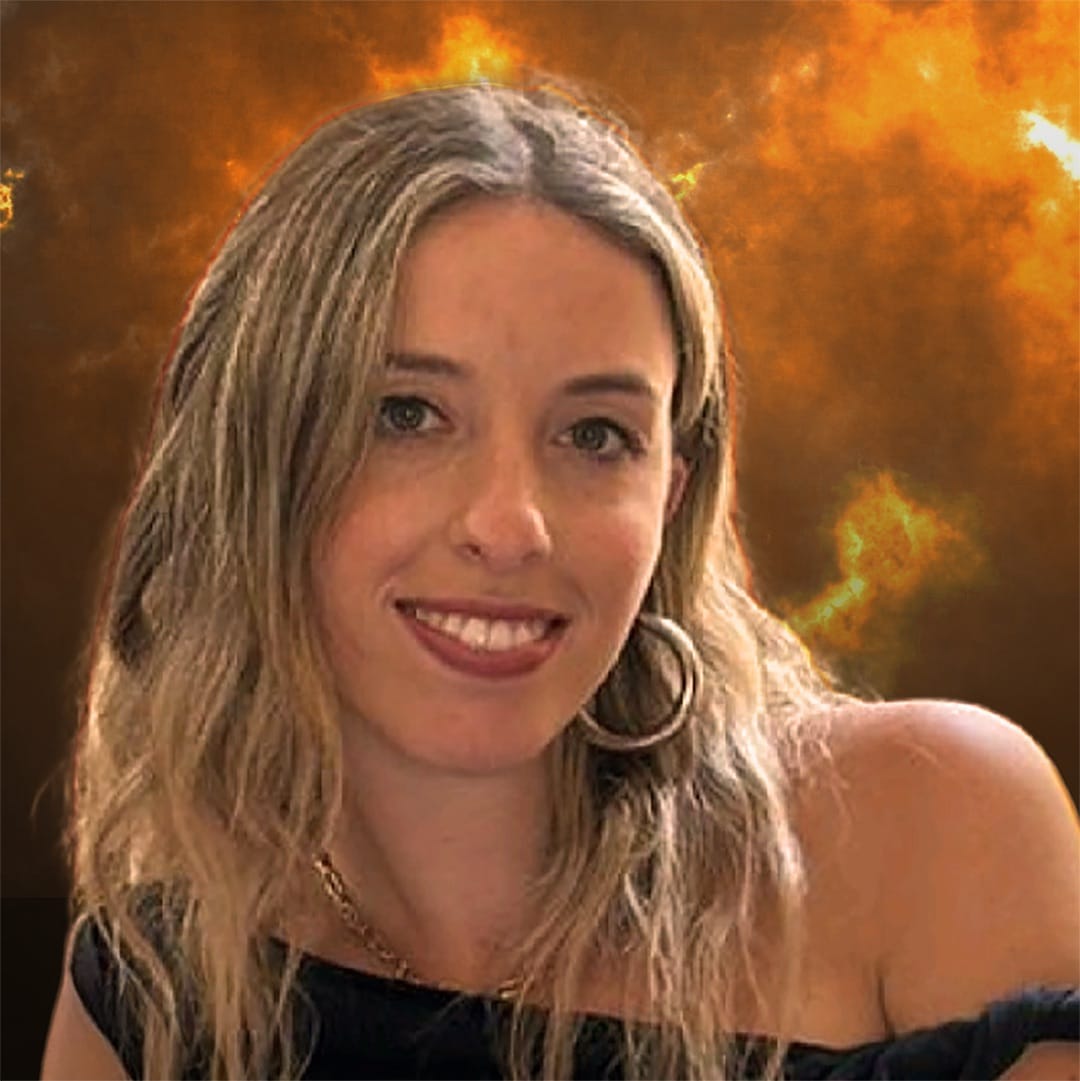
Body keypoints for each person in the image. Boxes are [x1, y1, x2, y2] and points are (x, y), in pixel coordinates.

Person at [40, 75, 1078, 1081]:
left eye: (594, 434)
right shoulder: (156, 992)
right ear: (249, 459)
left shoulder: (931, 828)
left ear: (670, 500)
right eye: (405, 414)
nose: (510, 527)